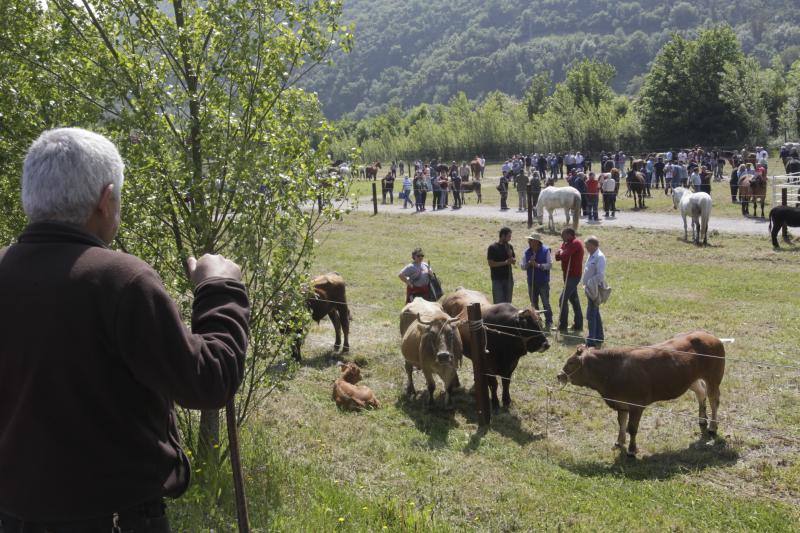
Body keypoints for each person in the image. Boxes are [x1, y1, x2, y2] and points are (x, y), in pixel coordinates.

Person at [0, 128, 250, 531]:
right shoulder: (119, 279)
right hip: (115, 518)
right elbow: (209, 381)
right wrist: (220, 288)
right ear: (105, 199)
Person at [520, 233, 553, 329]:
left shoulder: (545, 250)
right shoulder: (527, 252)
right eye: (529, 240)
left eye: (531, 240)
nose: (529, 242)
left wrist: (538, 265)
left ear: (537, 242)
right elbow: (522, 266)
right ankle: (538, 321)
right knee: (533, 303)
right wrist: (529, 264)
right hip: (531, 282)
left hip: (543, 282)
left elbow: (550, 265)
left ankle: (549, 321)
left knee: (545, 302)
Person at [555, 227, 584, 333]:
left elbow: (565, 256)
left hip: (573, 276)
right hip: (566, 275)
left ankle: (562, 325)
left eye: (563, 235)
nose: (561, 237)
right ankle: (578, 324)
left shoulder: (576, 243)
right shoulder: (566, 243)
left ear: (569, 234)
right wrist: (561, 252)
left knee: (562, 299)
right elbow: (558, 257)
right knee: (574, 300)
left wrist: (561, 252)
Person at [582, 236, 606, 347]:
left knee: (591, 314)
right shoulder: (591, 255)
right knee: (595, 313)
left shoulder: (600, 257)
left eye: (587, 246)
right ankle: (599, 337)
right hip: (589, 288)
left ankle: (591, 339)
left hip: (595, 289)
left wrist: (591, 282)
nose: (586, 248)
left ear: (593, 245)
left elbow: (600, 275)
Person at [487, 227, 515, 304]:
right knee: (498, 304)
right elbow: (491, 264)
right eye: (509, 236)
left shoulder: (510, 247)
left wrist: (511, 256)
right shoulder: (493, 247)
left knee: (508, 304)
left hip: (509, 279)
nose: (510, 238)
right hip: (497, 280)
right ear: (503, 235)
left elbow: (513, 261)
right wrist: (505, 262)